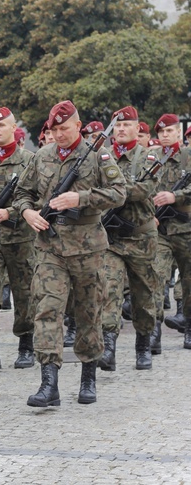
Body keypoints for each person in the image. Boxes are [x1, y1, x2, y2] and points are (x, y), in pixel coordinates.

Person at [12, 100, 126, 406]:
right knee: (47, 310)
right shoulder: (42, 157)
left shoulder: (97, 156)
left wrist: (82, 198)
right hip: (50, 246)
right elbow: (22, 193)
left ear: (78, 125)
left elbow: (119, 193)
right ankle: (49, 383)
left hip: (88, 247)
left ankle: (88, 376)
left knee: (89, 311)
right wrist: (27, 213)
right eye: (54, 130)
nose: (59, 135)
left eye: (64, 128)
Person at [97, 106, 160, 371]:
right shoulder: (102, 156)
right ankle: (108, 346)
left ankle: (143, 344)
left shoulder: (148, 156)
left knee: (143, 295)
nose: (121, 130)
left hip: (141, 237)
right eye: (117, 126)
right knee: (109, 291)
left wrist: (111, 193)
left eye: (126, 125)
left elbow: (144, 189)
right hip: (112, 239)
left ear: (137, 128)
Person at [0, 107, 37, 371]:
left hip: (21, 238)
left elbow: (37, 196)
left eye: (2, 125)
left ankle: (26, 343)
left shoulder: (29, 160)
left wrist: (10, 211)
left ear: (14, 127)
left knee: (24, 292)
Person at [152, 114, 191, 350]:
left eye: (169, 131)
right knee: (156, 278)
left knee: (188, 281)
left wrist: (176, 196)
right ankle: (153, 333)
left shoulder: (188, 156)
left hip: (185, 227)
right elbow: (142, 186)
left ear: (178, 132)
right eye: (161, 132)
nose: (165, 135)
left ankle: (189, 326)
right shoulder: (151, 157)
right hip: (159, 230)